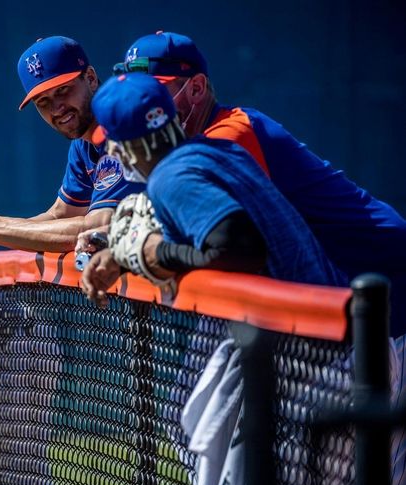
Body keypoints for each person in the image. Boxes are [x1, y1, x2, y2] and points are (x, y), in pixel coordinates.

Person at [105, 30, 406, 337]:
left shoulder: (228, 134)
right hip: (336, 289)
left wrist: (120, 247)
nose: (141, 105)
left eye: (155, 93)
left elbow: (216, 235)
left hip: (379, 269)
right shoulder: (183, 154)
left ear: (196, 88)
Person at [81, 72, 346, 308]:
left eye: (111, 141)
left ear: (126, 142)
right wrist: (123, 259)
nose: (111, 150)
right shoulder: (211, 151)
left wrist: (155, 252)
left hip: (311, 343)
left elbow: (242, 250)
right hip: (332, 326)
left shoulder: (170, 177)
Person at [0, 36, 145, 252]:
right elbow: (60, 214)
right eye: (43, 102)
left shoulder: (122, 126)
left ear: (91, 78)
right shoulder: (83, 142)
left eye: (62, 90)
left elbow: (98, 228)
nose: (56, 108)